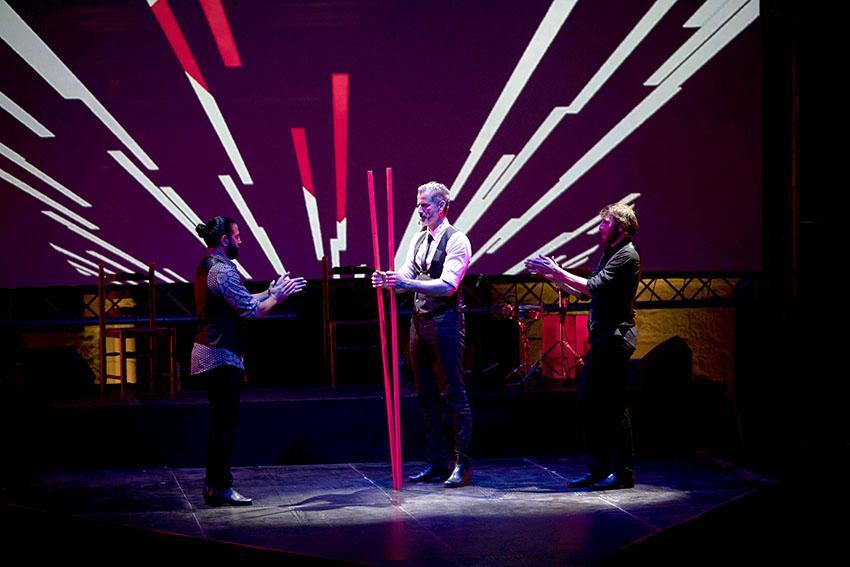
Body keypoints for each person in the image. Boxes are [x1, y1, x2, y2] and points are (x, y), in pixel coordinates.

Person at [525, 203, 641, 490]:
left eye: (605, 223)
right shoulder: (611, 252)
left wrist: (558, 270)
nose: (599, 227)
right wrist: (554, 276)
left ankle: (623, 472)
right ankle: (598, 469)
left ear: (620, 227)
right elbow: (585, 292)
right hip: (603, 339)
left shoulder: (626, 255)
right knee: (590, 403)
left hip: (615, 339)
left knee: (613, 406)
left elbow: (592, 286)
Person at [191, 216, 306, 506]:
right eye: (237, 235)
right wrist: (278, 298)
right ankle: (219, 486)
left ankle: (214, 485)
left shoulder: (211, 266)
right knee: (224, 426)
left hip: (211, 353)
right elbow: (250, 311)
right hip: (219, 356)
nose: (241, 240)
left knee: (222, 424)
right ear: (225, 240)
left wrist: (270, 291)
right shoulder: (222, 271)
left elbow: (241, 298)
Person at [372, 181, 474, 488]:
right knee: (426, 395)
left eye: (425, 204)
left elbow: (448, 286)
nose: (420, 209)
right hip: (420, 322)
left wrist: (407, 284)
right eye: (418, 204)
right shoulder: (419, 238)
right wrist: (389, 279)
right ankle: (437, 461)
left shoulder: (457, 240)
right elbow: (407, 272)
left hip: (446, 322)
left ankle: (462, 464)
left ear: (441, 206)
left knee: (453, 394)